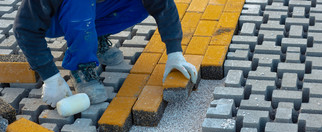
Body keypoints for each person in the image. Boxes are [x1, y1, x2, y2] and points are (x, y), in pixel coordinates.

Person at [13, 0, 197, 107]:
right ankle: (81, 66)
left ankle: (94, 38)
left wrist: (175, 52)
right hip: (58, 16)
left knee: (139, 4)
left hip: (92, 9)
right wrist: (50, 77)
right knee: (80, 5)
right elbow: (24, 28)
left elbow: (162, 5)